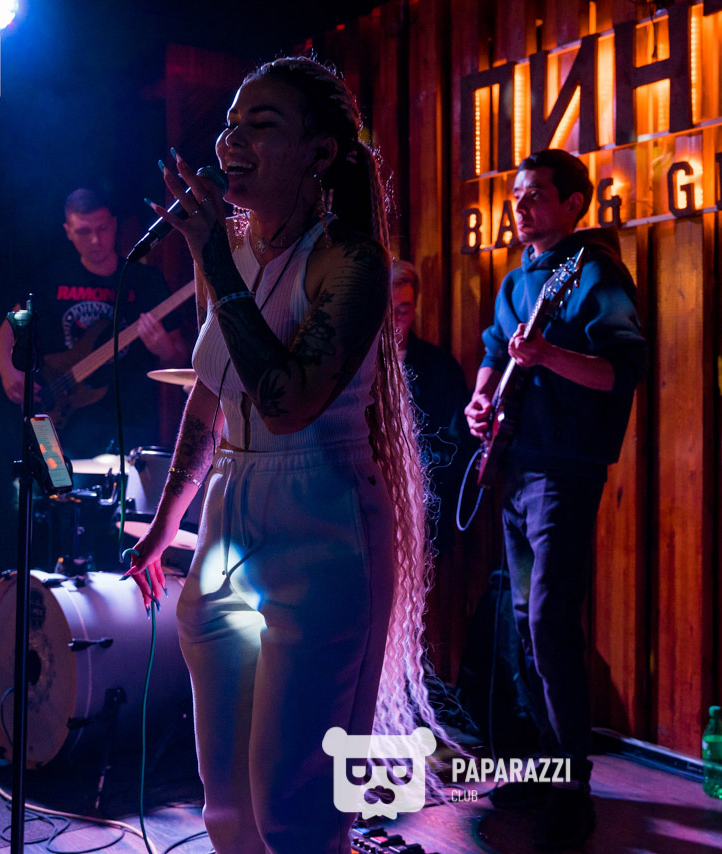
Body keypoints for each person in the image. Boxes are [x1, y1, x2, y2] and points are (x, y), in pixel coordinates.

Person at [124, 58, 451, 854]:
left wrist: (211, 257)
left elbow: (286, 399)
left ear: (320, 153)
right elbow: (210, 396)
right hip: (227, 510)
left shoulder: (352, 262)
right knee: (226, 809)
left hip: (322, 518)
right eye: (230, 125)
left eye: (261, 125)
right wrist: (166, 525)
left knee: (293, 812)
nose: (231, 142)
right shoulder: (232, 252)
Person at [464, 149, 645, 849]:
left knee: (548, 622)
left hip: (565, 471)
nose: (520, 205)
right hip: (516, 464)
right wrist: (482, 398)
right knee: (521, 620)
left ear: (574, 204)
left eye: (536, 194)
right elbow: (494, 349)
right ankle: (548, 763)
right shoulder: (517, 280)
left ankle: (574, 788)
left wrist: (548, 356)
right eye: (516, 194)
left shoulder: (593, 271)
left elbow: (622, 371)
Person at [0, 188, 186, 458]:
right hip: (62, 420)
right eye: (84, 231)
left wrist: (165, 350)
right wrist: (6, 369)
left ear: (114, 224)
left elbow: (180, 356)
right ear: (68, 231)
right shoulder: (53, 280)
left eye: (102, 228)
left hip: (130, 422)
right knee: (56, 483)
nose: (96, 240)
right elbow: (9, 327)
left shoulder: (146, 281)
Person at [391, 259, 473, 549]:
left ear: (415, 307)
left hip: (427, 505)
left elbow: (458, 442)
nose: (395, 320)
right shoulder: (358, 368)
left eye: (404, 310)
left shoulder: (441, 367)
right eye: (388, 310)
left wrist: (422, 473)